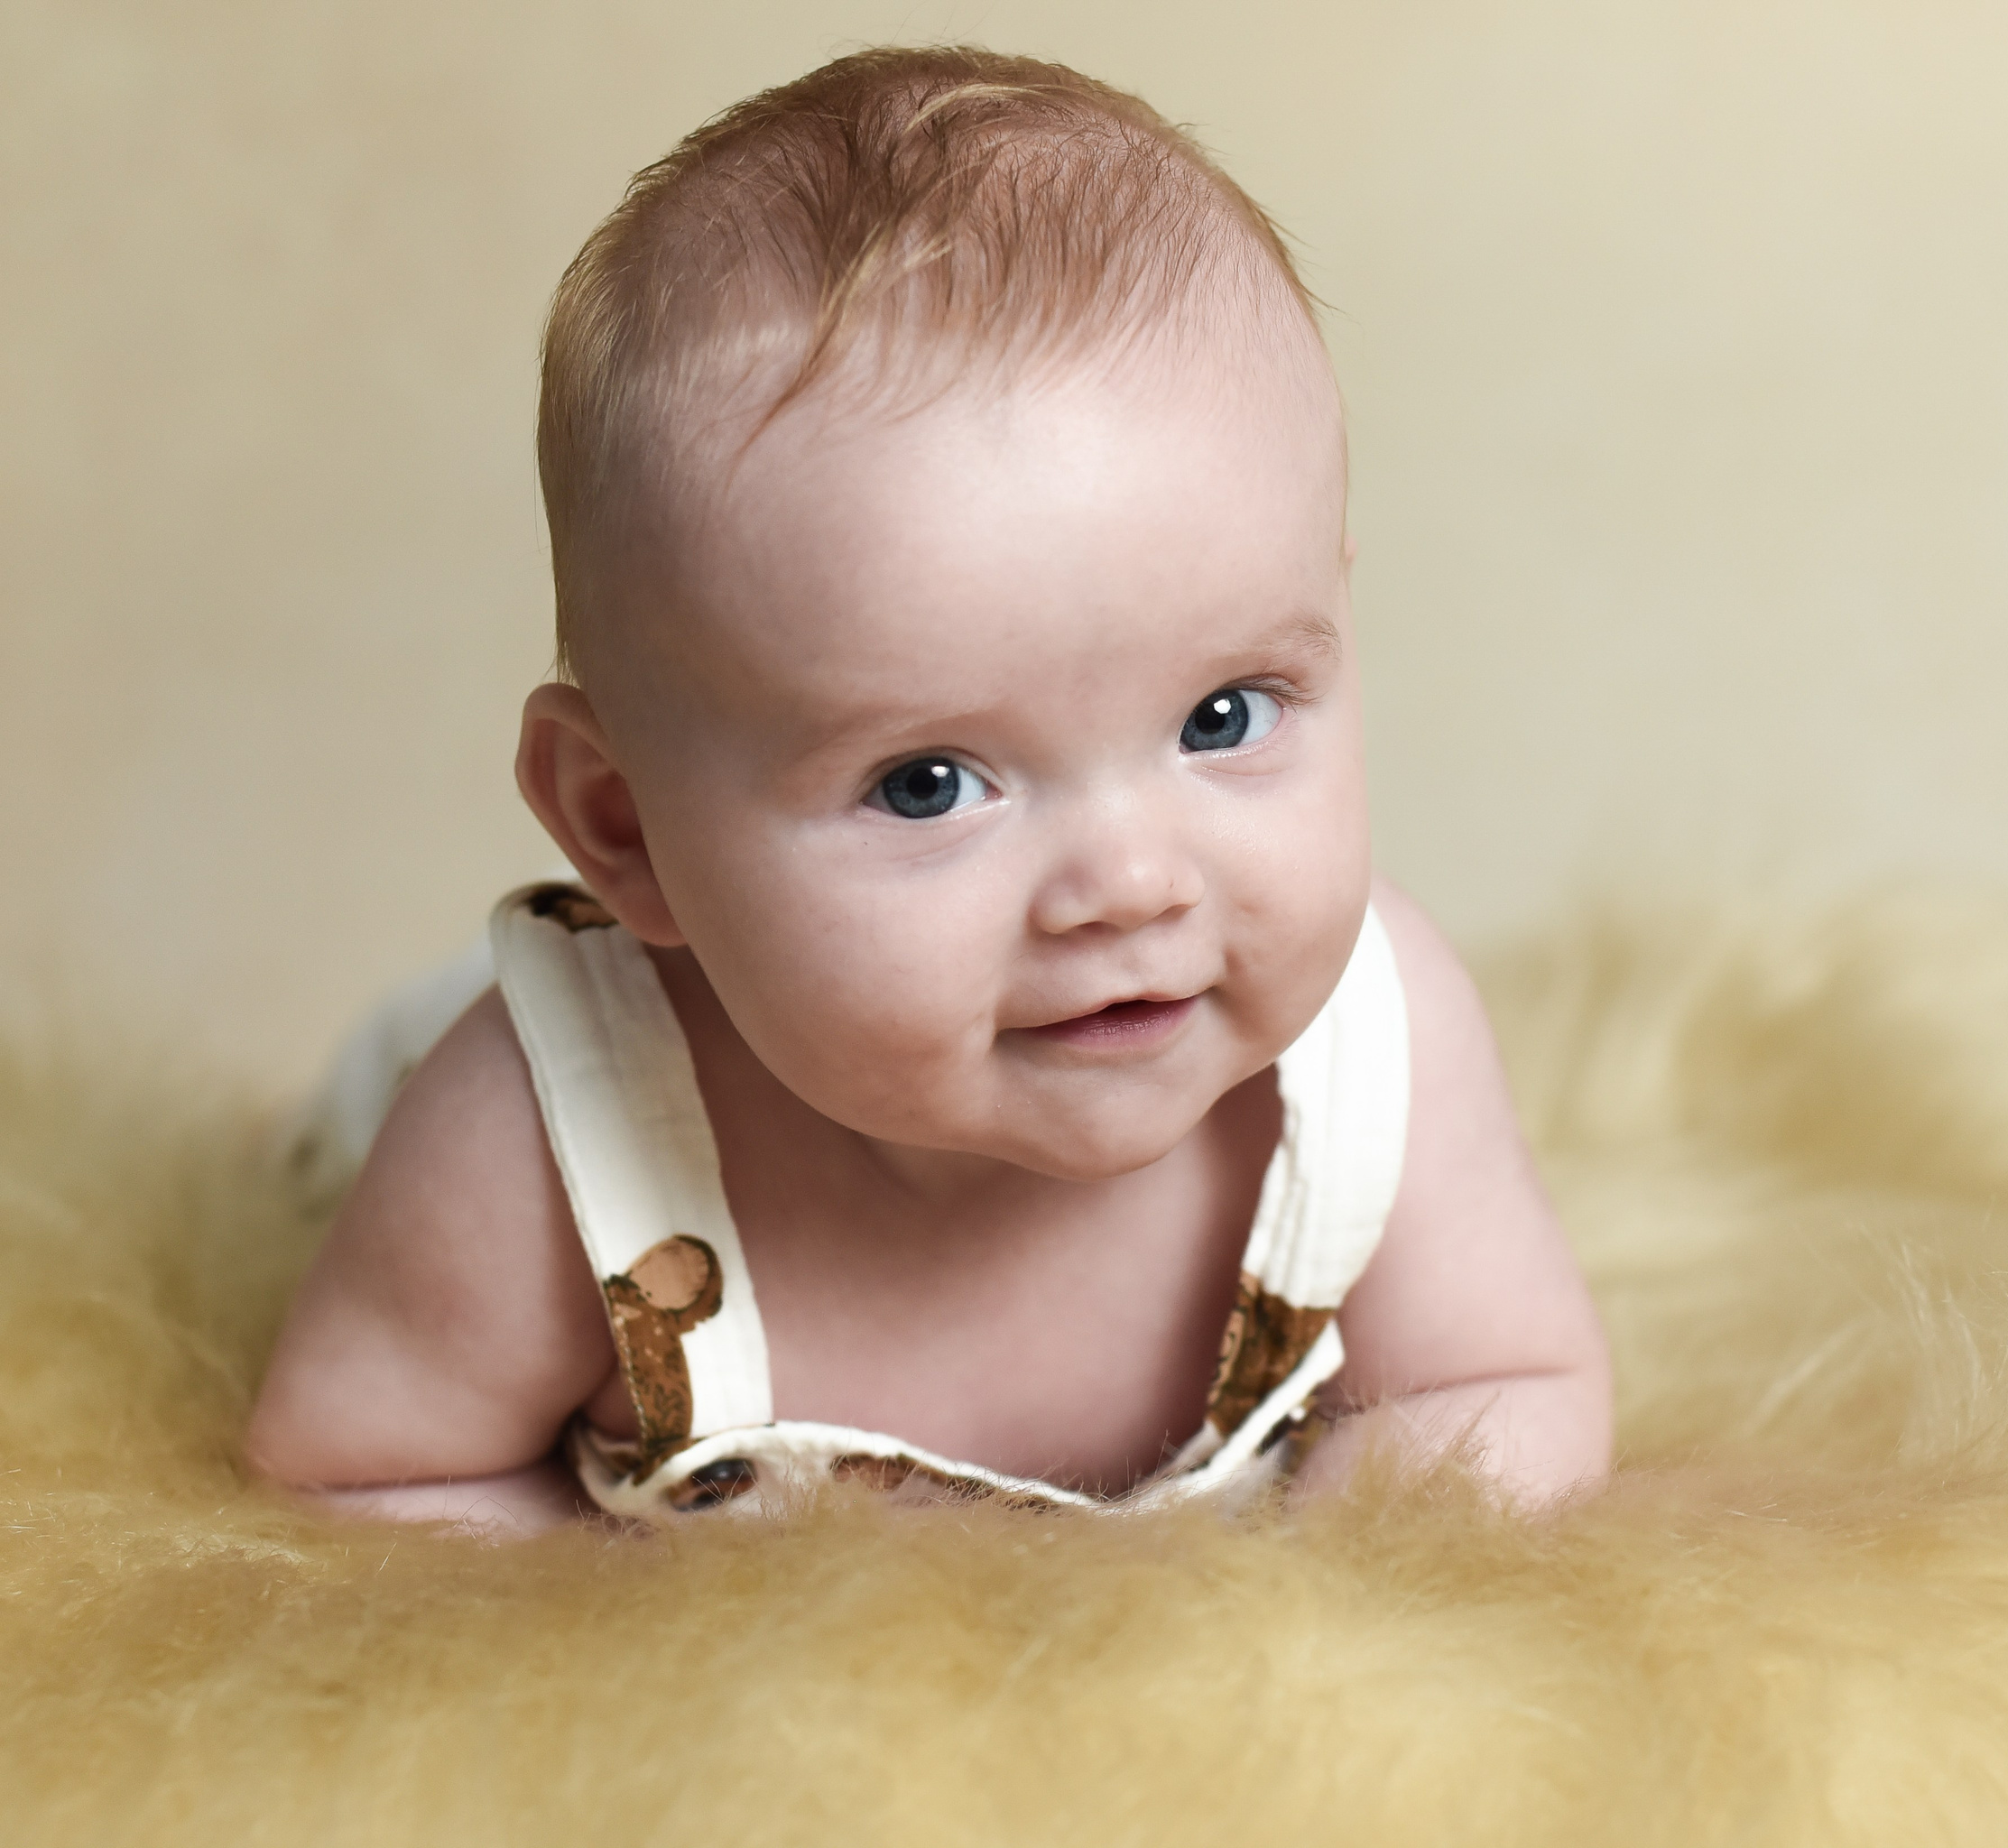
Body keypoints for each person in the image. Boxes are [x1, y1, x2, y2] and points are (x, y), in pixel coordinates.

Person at [245, 45, 1613, 1532]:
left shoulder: (1375, 1046)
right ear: (622, 829)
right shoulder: (534, 1150)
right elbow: (366, 1478)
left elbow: (1502, 1385)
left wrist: (1282, 1625)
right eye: (928, 785)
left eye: (1223, 716)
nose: (1134, 883)